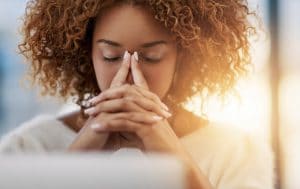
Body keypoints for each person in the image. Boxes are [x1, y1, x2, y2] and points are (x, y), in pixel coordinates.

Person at [0, 0, 274, 188]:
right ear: (86, 54)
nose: (129, 75)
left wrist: (172, 152)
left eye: (152, 57)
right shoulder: (28, 148)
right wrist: (81, 152)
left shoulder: (237, 152)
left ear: (183, 57)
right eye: (111, 56)